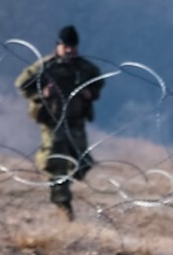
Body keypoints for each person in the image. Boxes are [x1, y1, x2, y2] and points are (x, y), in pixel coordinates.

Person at [15, 25, 104, 220]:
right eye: (66, 47)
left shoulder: (83, 68)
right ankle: (63, 202)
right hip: (52, 121)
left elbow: (99, 81)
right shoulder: (46, 66)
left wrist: (90, 93)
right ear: (58, 46)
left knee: (83, 162)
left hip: (76, 120)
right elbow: (22, 84)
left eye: (73, 47)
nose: (70, 50)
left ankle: (62, 179)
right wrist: (42, 93)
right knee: (57, 163)